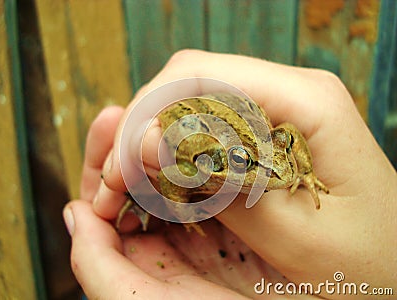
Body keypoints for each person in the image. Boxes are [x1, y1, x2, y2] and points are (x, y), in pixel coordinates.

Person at [63, 50, 397, 299]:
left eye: (282, 147)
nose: (282, 171)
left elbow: (290, 130)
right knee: (152, 166)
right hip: (194, 124)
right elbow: (170, 178)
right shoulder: (202, 164)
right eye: (243, 163)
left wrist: (305, 171)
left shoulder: (274, 147)